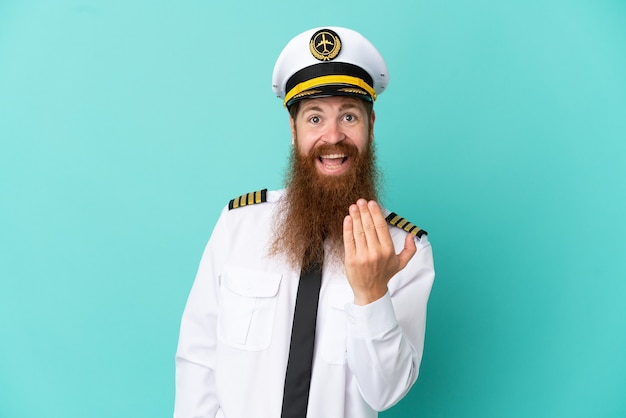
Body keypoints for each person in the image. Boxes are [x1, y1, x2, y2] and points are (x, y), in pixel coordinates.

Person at [174, 26, 435, 418]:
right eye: (315, 118)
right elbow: (199, 360)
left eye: (349, 116)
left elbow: (386, 393)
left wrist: (371, 295)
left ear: (371, 126)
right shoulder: (237, 225)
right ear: (293, 130)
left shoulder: (404, 249)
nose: (333, 136)